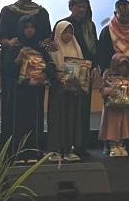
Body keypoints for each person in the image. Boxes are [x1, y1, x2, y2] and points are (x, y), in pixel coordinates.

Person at [0, 0, 53, 156]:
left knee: (35, 111)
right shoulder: (8, 11)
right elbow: (1, 38)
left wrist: (44, 45)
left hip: (37, 64)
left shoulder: (41, 12)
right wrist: (11, 44)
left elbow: (47, 36)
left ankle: (34, 150)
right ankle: (12, 151)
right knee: (13, 109)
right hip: (14, 63)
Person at [1, 15, 51, 162]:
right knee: (18, 122)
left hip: (35, 91)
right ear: (21, 29)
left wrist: (44, 75)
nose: (29, 30)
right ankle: (18, 153)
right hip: (18, 91)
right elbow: (7, 69)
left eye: (32, 27)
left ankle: (34, 153)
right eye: (26, 28)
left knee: (34, 121)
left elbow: (50, 65)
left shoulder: (40, 47)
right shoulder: (15, 46)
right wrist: (19, 57)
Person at [57, 0, 99, 155]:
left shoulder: (90, 25)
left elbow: (94, 48)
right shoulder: (64, 24)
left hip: (86, 71)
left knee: (83, 110)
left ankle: (82, 145)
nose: (82, 10)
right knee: (68, 110)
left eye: (84, 6)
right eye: (78, 6)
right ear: (71, 7)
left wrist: (95, 67)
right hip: (67, 72)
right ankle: (66, 145)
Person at [46, 21, 85, 162]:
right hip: (58, 89)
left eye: (70, 32)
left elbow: (82, 67)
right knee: (57, 118)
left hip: (73, 89)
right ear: (58, 33)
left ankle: (69, 150)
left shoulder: (76, 47)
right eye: (65, 32)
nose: (68, 35)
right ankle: (54, 150)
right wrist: (57, 75)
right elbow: (49, 68)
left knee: (71, 118)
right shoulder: (52, 49)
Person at [99, 53, 129, 157]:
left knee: (123, 125)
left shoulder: (128, 76)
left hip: (124, 107)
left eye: (125, 65)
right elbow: (102, 89)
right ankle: (112, 145)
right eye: (120, 65)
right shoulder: (108, 74)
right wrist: (110, 91)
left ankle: (120, 144)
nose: (123, 68)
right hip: (112, 108)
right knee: (112, 126)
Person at [97, 0, 129, 71]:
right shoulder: (107, 31)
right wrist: (105, 69)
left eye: (128, 15)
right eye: (123, 15)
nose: (126, 18)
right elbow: (102, 54)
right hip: (114, 71)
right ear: (115, 13)